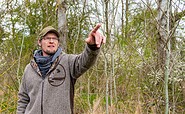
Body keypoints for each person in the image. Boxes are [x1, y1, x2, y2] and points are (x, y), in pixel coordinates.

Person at [17, 23, 106, 114]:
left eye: (55, 39)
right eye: (47, 38)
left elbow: (85, 61)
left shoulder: (67, 62)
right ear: (39, 42)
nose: (51, 41)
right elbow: (23, 99)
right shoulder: (29, 69)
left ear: (58, 43)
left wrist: (92, 47)